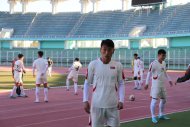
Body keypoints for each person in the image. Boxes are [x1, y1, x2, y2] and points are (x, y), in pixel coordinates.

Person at [83, 39, 125, 127]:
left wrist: (121, 100)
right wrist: (85, 100)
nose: (106, 52)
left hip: (113, 106)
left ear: (113, 50)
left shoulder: (118, 65)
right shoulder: (93, 64)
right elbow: (87, 83)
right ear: (100, 49)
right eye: (104, 49)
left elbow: (121, 83)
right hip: (97, 105)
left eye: (109, 50)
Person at [145, 49, 173, 124]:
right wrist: (146, 83)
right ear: (159, 55)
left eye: (165, 55)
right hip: (156, 85)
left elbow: (165, 72)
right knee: (154, 101)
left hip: (162, 84)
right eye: (163, 55)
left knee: (164, 100)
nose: (164, 57)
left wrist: (169, 80)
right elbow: (149, 73)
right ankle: (153, 116)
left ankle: (161, 114)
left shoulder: (164, 63)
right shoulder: (153, 63)